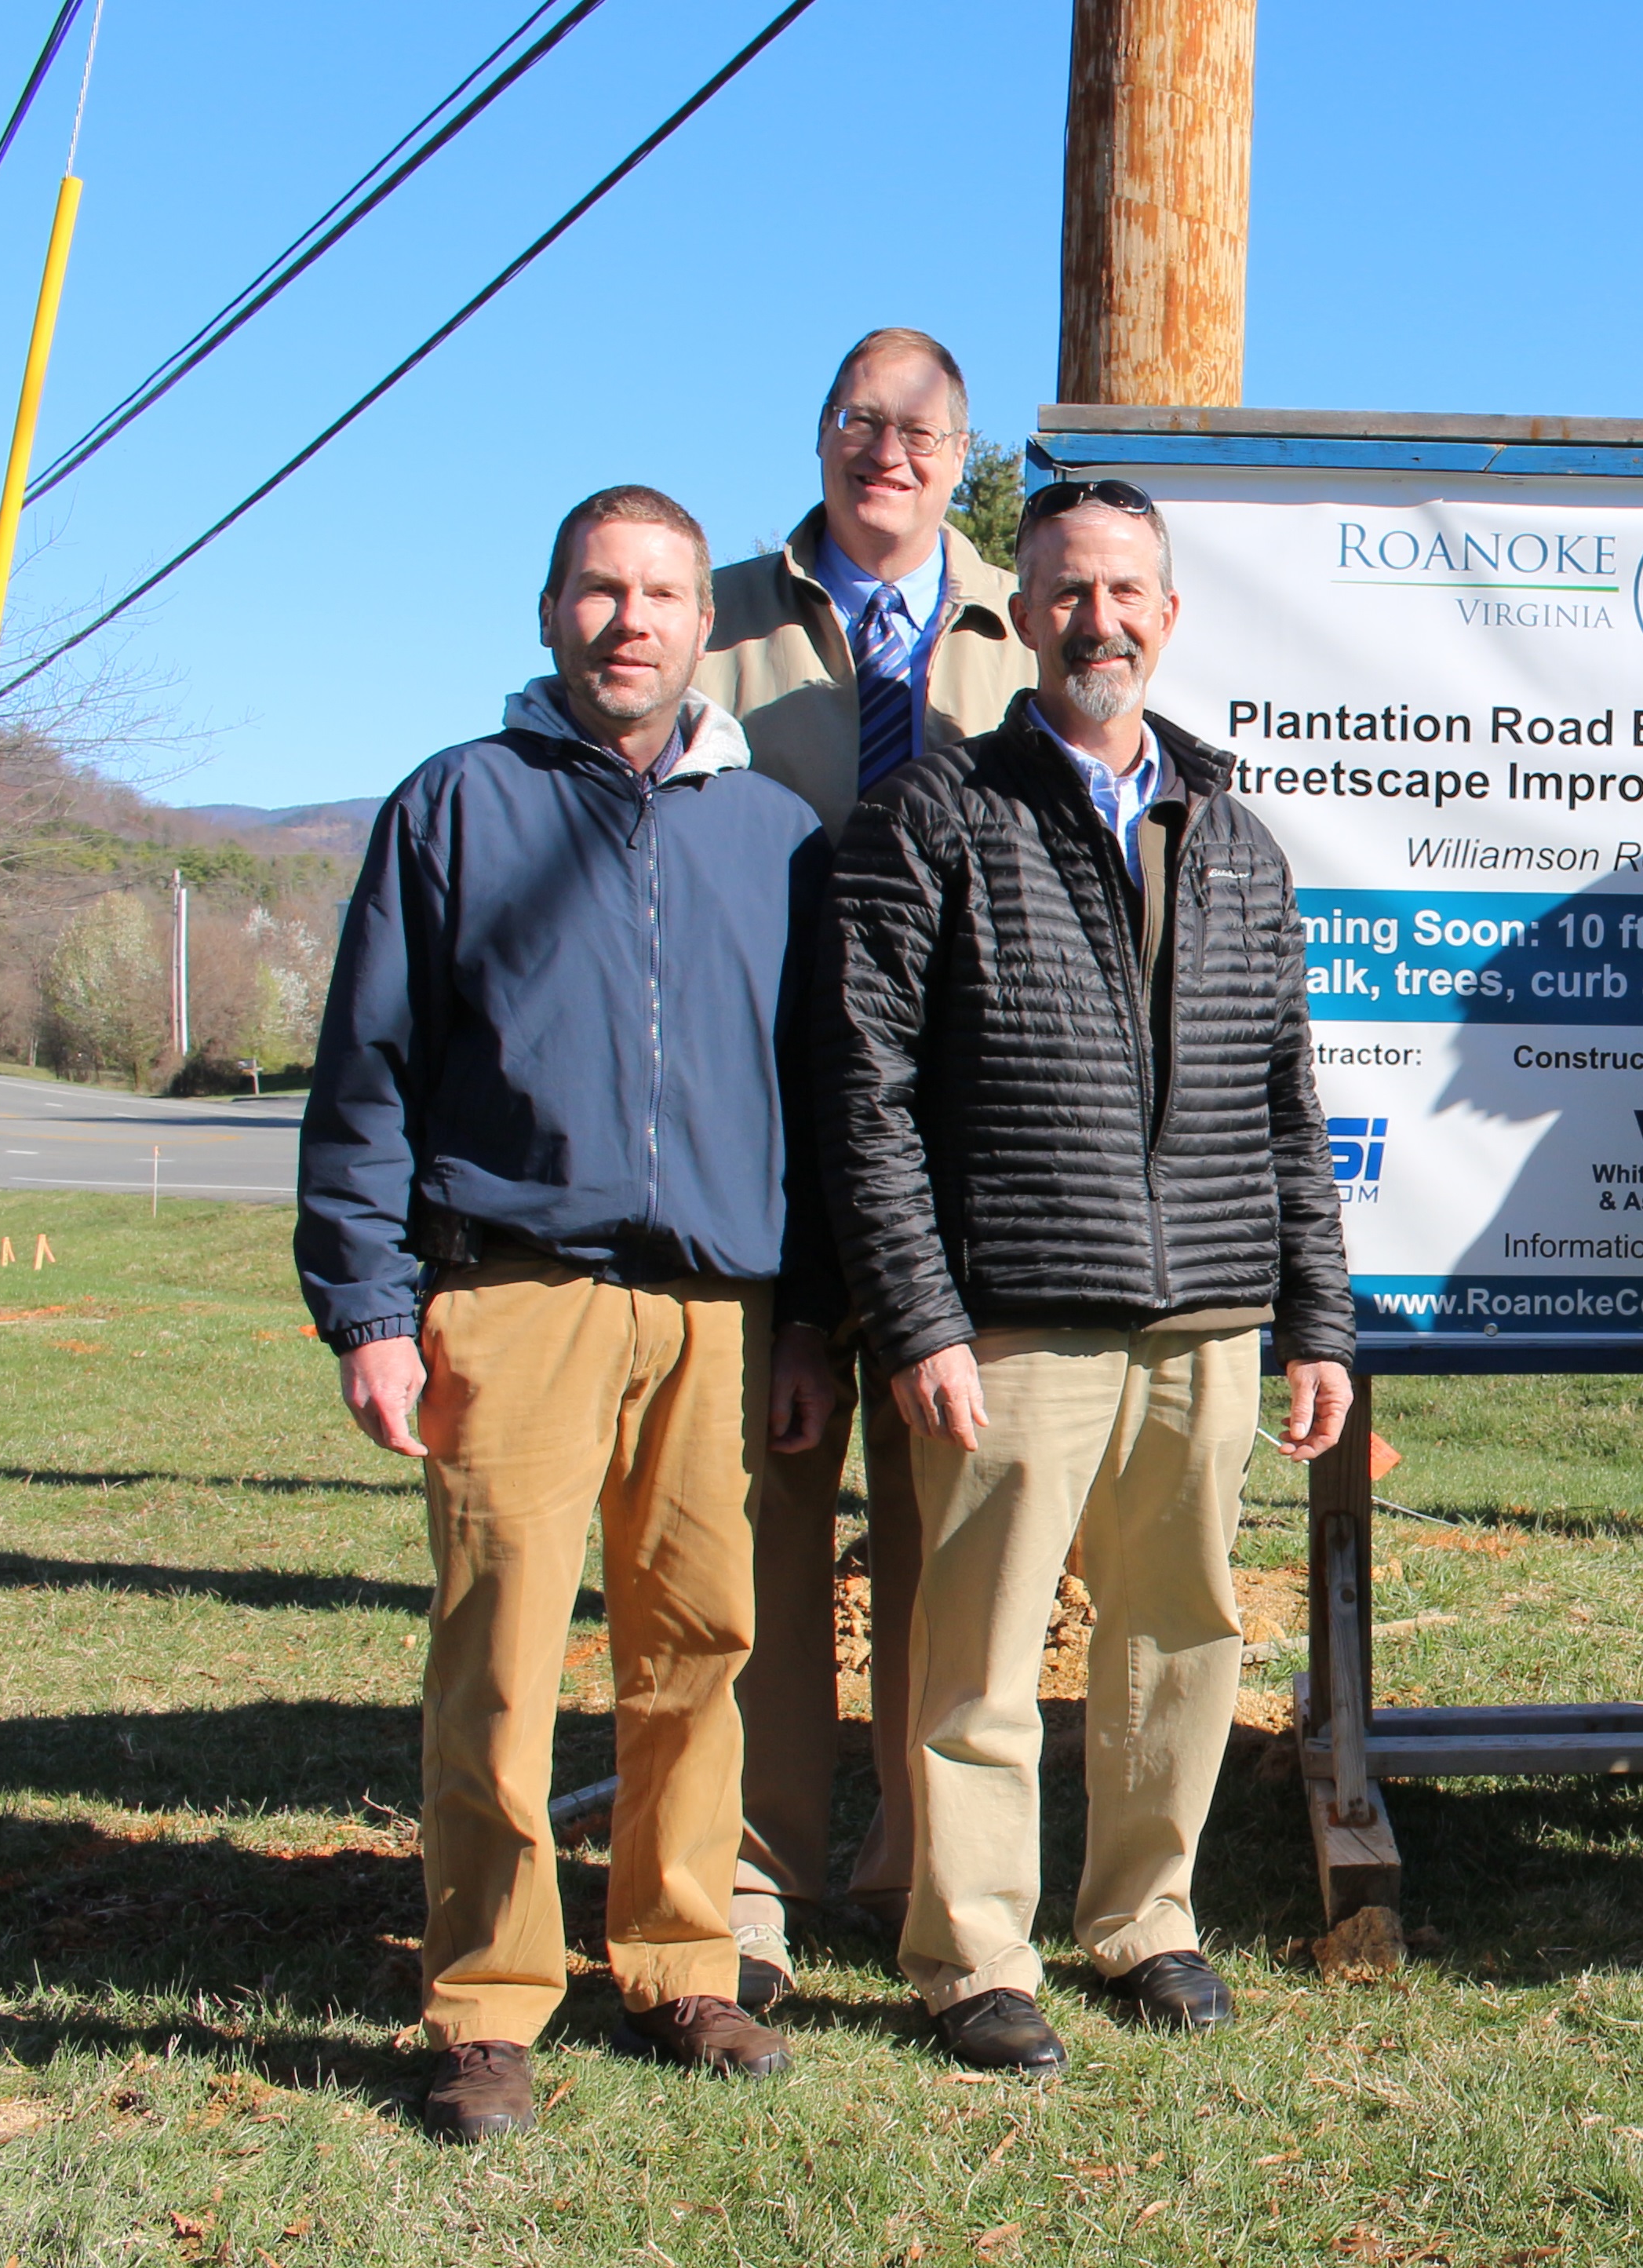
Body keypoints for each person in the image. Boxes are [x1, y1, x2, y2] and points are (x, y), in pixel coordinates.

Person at [298, 486, 840, 2141]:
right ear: (550, 612)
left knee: (702, 1648)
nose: (630, 620)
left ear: (703, 625)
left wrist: (809, 1320)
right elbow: (366, 1072)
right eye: (600, 590)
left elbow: (819, 1102)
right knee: (502, 1655)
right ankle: (484, 1999)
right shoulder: (458, 803)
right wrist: (369, 1307)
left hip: (717, 1309)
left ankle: (680, 1955)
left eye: (661, 593)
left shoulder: (775, 836)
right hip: (510, 1290)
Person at [826, 477, 1356, 2073]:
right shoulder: (933, 815)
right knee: (981, 1654)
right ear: (1022, 614)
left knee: (1179, 1636)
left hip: (1204, 1314)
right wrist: (917, 1315)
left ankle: (1145, 1916)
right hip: (1012, 1320)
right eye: (1066, 591)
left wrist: (1317, 1316)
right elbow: (865, 1092)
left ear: (1168, 615)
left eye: (1126, 592)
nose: (1097, 621)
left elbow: (1286, 1096)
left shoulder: (1237, 839)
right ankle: (972, 1951)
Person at [694, 326, 1036, 2007]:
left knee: (937, 1523)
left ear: (962, 453)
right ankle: (747, 1877)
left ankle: (913, 1864)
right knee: (753, 1519)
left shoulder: (1023, 631)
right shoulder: (714, 624)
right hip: (753, 1135)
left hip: (947, 1158)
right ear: (818, 435)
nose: (885, 451)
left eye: (920, 429)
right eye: (856, 419)